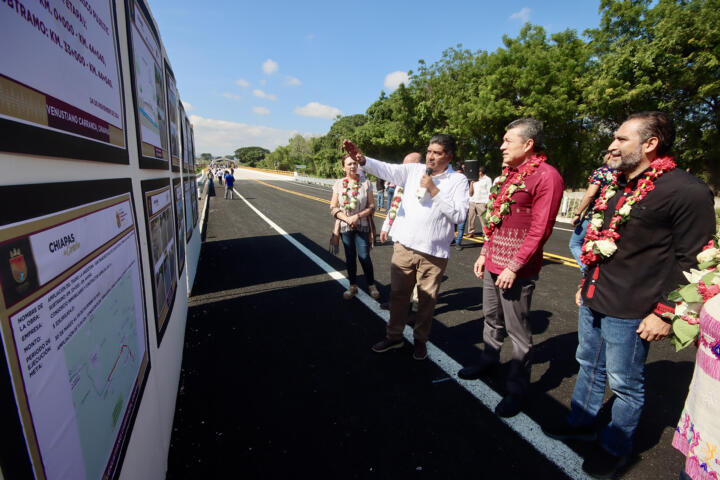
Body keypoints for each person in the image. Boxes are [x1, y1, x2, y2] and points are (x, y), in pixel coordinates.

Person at [542, 111, 715, 479]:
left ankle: (615, 446)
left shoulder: (686, 190)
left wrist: (666, 312)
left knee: (624, 382)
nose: (612, 145)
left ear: (650, 144)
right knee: (588, 363)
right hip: (595, 296)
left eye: (621, 139)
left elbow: (694, 260)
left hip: (635, 308)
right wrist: (585, 282)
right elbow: (598, 241)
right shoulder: (617, 184)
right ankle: (582, 422)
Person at [458, 118, 564, 418]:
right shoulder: (509, 175)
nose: (502, 146)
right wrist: (484, 251)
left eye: (508, 140)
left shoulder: (547, 176)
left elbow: (540, 229)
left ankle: (517, 389)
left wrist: (514, 266)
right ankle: (489, 359)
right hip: (493, 262)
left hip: (517, 270)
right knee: (490, 317)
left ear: (528, 144)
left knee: (518, 331)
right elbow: (494, 220)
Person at [343, 134, 469, 361]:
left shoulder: (458, 181)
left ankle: (420, 341)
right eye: (429, 151)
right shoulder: (413, 170)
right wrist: (363, 160)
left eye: (437, 153)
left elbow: (459, 215)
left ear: (449, 156)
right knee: (398, 296)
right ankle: (394, 336)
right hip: (404, 246)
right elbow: (386, 170)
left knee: (426, 301)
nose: (430, 156)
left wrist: (433, 189)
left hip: (433, 253)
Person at [330, 155, 380, 300]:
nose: (353, 166)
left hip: (362, 225)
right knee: (350, 257)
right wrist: (347, 218)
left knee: (364, 256)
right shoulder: (338, 184)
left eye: (355, 163)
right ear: (343, 167)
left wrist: (356, 217)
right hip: (345, 226)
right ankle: (353, 286)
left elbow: (372, 206)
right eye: (349, 164)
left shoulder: (366, 183)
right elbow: (333, 207)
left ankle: (371, 284)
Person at [378, 152, 422, 311]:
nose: (404, 169)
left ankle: (417, 307)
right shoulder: (401, 184)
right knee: (398, 273)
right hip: (401, 237)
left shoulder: (425, 184)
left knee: (419, 276)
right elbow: (394, 207)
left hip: (419, 239)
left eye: (408, 166)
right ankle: (395, 302)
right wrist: (385, 227)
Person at [568, 153, 616, 272]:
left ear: (609, 156)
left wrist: (577, 213)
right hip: (612, 216)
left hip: (595, 215)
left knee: (575, 243)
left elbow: (590, 194)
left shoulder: (601, 172)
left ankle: (587, 271)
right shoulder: (622, 173)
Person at [467, 165, 492, 238]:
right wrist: (471, 183)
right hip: (473, 201)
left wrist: (487, 202)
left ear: (480, 172)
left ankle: (485, 233)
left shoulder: (487, 179)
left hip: (482, 201)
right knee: (471, 218)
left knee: (483, 219)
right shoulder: (474, 179)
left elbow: (490, 191)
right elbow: (470, 192)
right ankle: (471, 232)